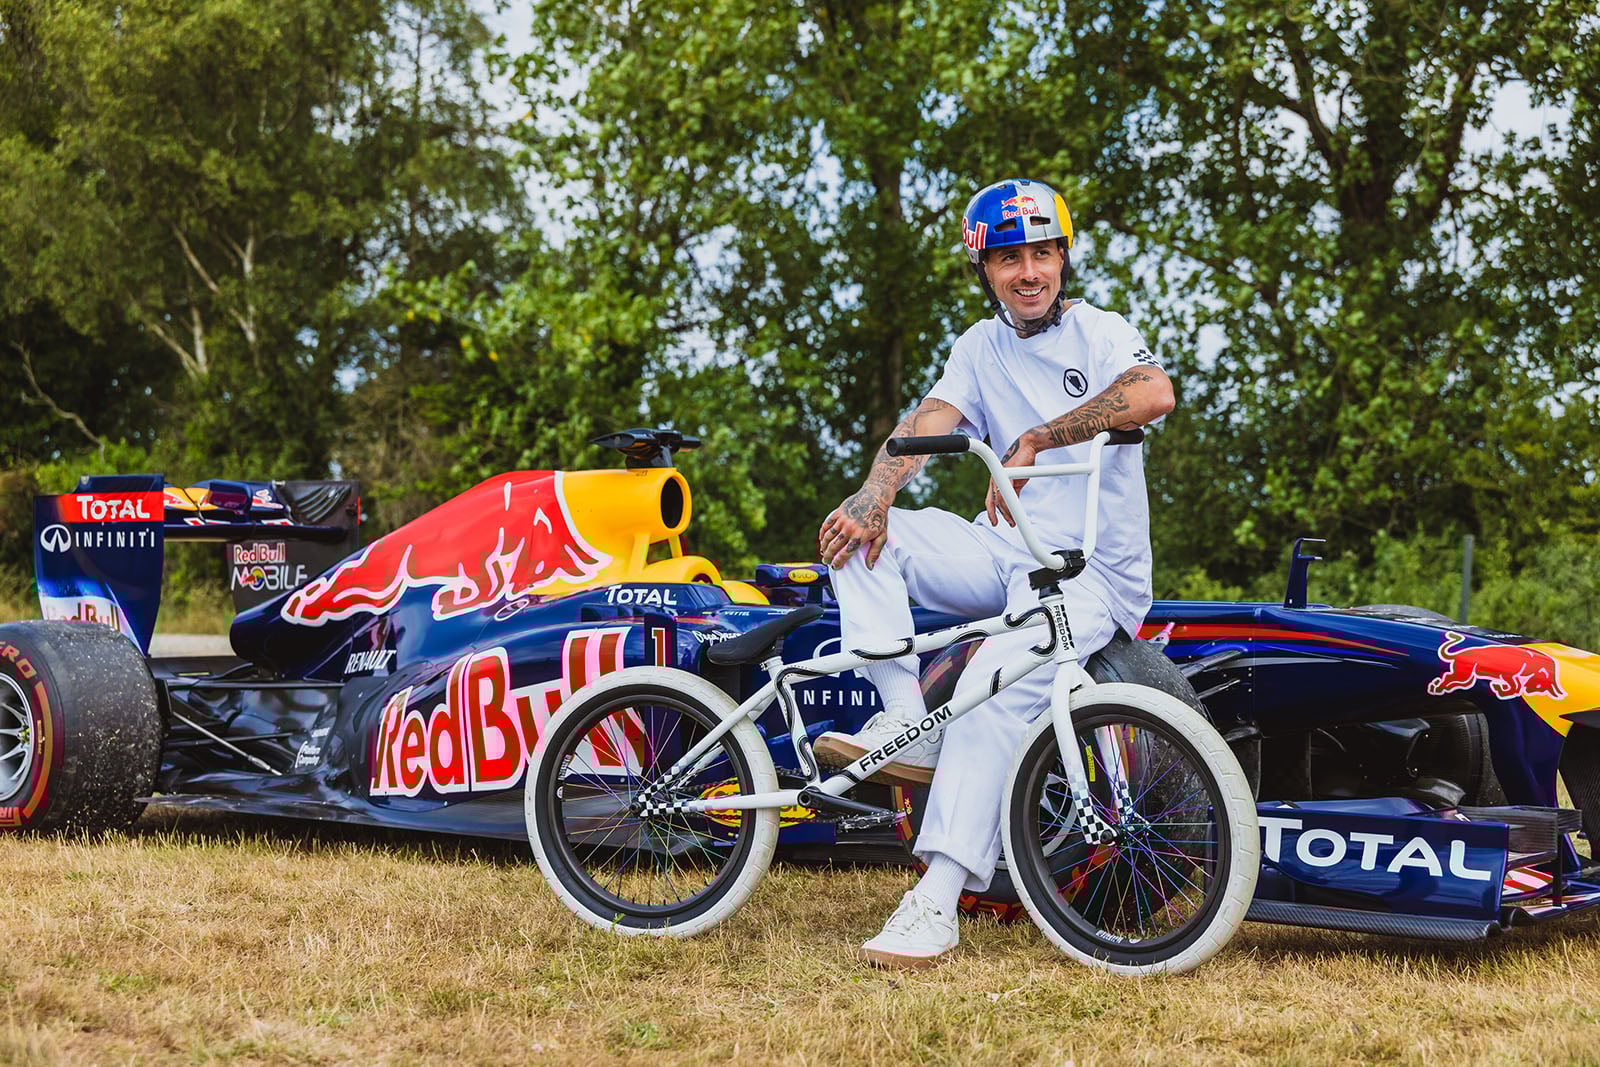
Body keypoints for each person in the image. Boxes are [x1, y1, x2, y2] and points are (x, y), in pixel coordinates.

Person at [812, 178, 1175, 968]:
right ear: (984, 269)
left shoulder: (1102, 332)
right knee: (862, 539)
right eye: (1010, 259)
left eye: (1042, 253)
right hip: (1006, 551)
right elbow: (923, 425)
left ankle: (935, 903)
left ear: (1063, 258)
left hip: (1088, 572)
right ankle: (905, 722)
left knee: (991, 684)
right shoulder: (979, 346)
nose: (1029, 272)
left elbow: (1154, 392)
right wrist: (874, 496)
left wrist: (1040, 436)